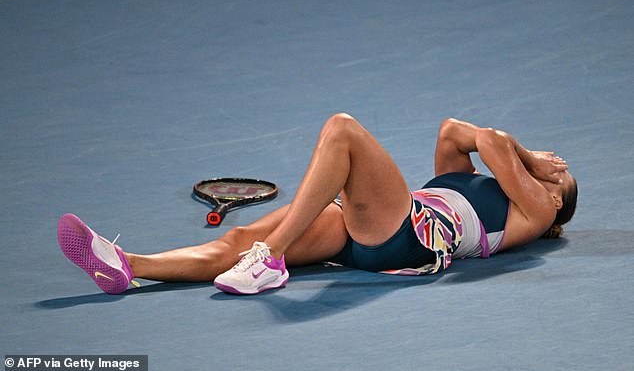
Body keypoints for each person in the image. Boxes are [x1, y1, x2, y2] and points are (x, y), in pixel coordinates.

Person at [57, 114, 577, 295]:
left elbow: (489, 138)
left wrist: (531, 160)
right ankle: (128, 267)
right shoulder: (478, 185)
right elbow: (453, 133)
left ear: (558, 200)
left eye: (564, 174)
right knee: (239, 241)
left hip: (410, 237)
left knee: (343, 131)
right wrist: (524, 157)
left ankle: (274, 258)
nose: (558, 165)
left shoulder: (538, 210)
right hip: (375, 228)